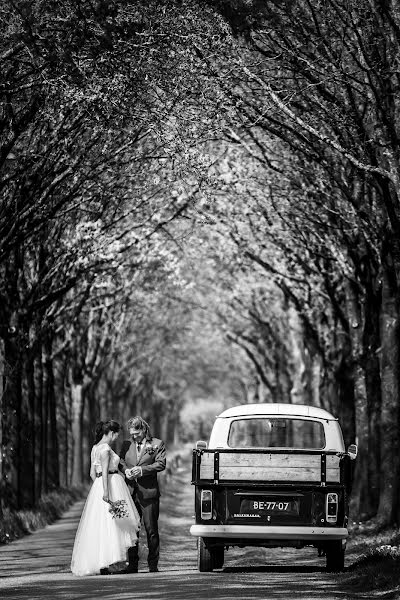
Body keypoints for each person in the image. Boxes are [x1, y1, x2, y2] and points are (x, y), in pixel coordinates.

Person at [70, 420, 140, 576]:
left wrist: (98, 488)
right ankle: (108, 562)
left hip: (98, 487)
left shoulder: (95, 448)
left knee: (101, 526)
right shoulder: (106, 450)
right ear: (111, 433)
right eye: (116, 435)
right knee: (112, 525)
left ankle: (104, 562)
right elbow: (107, 472)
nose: (116, 438)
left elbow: (92, 474)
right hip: (110, 486)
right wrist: (107, 492)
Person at [119, 416, 166, 573]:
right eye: (131, 433)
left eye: (136, 433)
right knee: (132, 530)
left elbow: (161, 464)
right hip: (130, 493)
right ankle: (132, 565)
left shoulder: (157, 444)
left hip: (149, 494)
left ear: (144, 430)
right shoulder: (126, 444)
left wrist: (142, 470)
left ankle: (153, 565)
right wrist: (125, 470)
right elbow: (120, 461)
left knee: (151, 530)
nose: (134, 437)